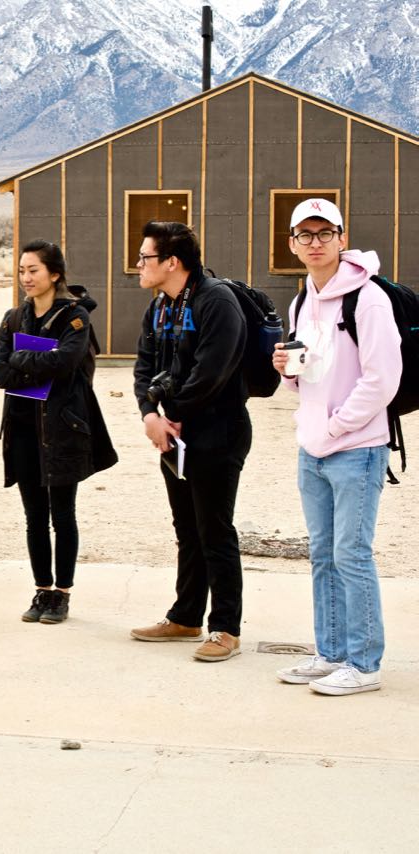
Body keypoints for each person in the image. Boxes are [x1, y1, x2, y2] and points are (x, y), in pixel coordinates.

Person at [271, 198, 400, 695]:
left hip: (358, 448)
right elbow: (309, 378)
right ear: (292, 244)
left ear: (342, 238)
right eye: (305, 234)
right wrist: (288, 372)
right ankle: (331, 654)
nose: (316, 243)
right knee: (323, 554)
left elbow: (382, 379)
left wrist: (338, 426)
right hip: (314, 448)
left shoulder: (368, 299)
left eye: (325, 233)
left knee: (351, 554)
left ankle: (364, 665)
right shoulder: (301, 301)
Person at [130, 221, 251, 662]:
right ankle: (185, 616)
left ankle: (226, 628)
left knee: (215, 529)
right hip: (174, 435)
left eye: (145, 257)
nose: (138, 265)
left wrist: (173, 415)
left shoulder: (216, 301)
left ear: (172, 262)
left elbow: (211, 371)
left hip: (218, 430)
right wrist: (150, 415)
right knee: (187, 529)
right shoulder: (159, 307)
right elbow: (144, 366)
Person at [0, 240, 117, 624]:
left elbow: (66, 362)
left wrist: (21, 358)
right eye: (22, 271)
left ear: (55, 274)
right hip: (23, 430)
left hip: (62, 429)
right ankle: (42, 589)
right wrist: (35, 362)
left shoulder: (74, 317)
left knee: (62, 515)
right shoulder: (14, 318)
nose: (26, 278)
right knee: (34, 517)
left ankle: (62, 593)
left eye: (34, 270)